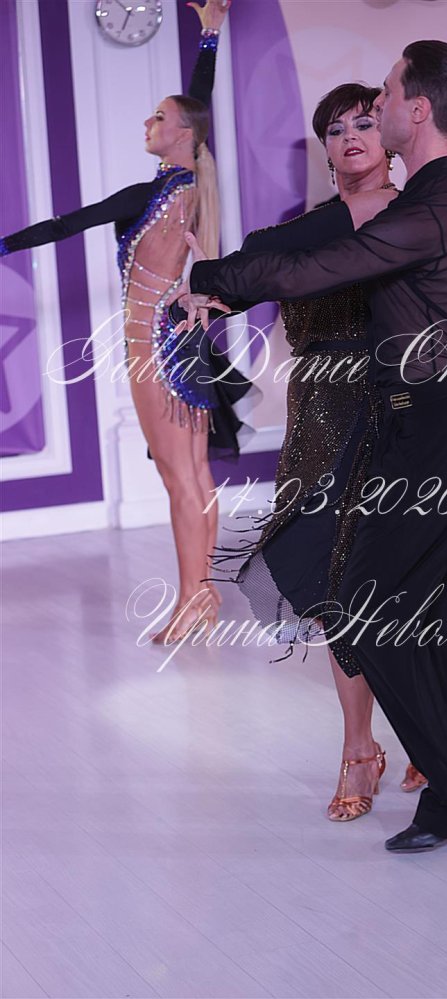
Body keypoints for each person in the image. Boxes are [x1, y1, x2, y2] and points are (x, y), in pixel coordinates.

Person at [174, 39, 447, 852]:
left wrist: (214, 280)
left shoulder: (431, 206)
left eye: (388, 95)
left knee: (365, 605)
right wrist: (228, 278)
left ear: (418, 111)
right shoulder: (437, 198)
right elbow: (313, 251)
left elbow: (325, 265)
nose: (378, 107)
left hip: (431, 426)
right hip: (427, 420)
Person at [0, 0, 251, 644]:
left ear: (181, 135)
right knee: (194, 476)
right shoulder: (187, 186)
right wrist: (210, 36)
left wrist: (3, 245)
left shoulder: (152, 194)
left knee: (179, 479)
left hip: (156, 348)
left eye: (159, 117)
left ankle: (192, 601)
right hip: (185, 343)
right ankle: (201, 597)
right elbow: (199, 109)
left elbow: (65, 224)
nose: (149, 122)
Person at [220, 83, 425, 821]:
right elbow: (262, 268)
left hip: (389, 407)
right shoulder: (311, 228)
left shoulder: (406, 213)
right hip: (317, 412)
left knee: (402, 579)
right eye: (335, 130)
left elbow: (259, 255)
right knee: (331, 578)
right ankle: (359, 747)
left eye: (364, 122)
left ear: (389, 133)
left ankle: (425, 736)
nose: (350, 137)